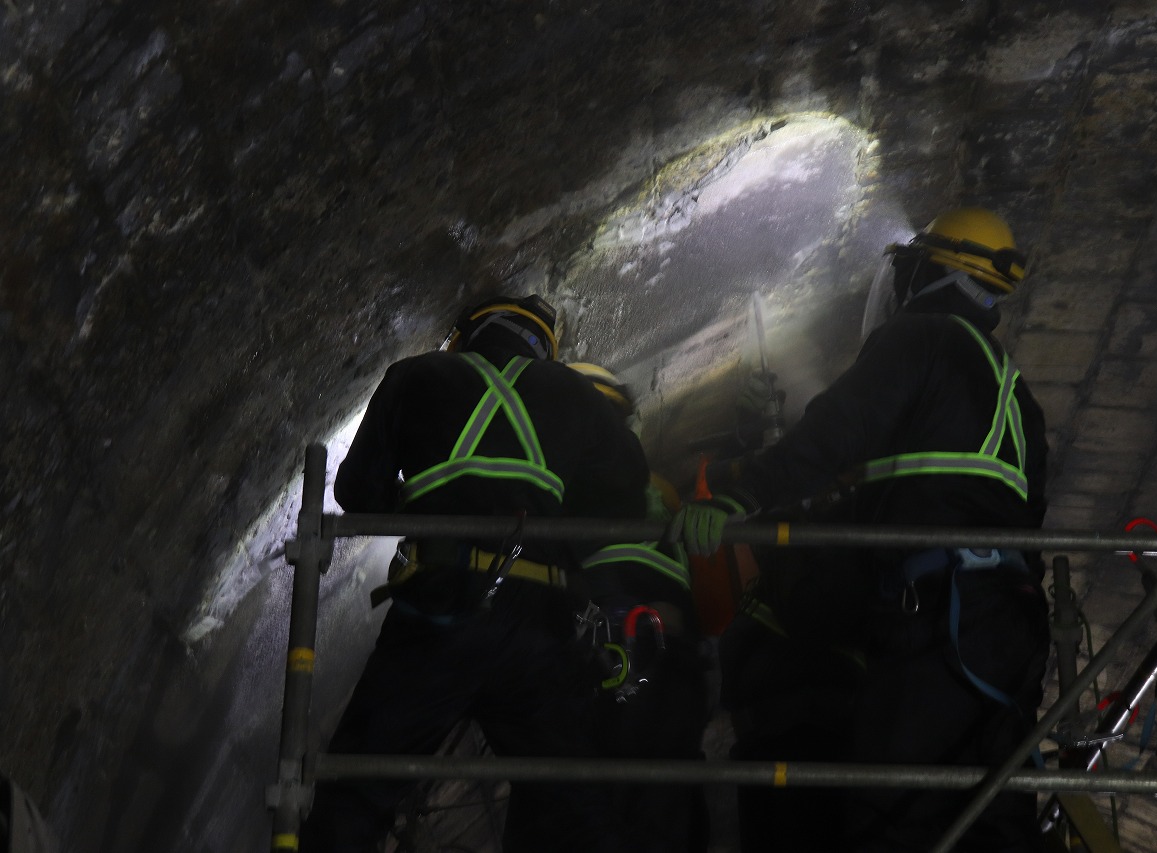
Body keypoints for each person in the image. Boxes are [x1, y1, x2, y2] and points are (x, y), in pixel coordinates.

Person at [678, 207, 1051, 851]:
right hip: (1009, 629)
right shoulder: (1018, 400)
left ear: (929, 270)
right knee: (989, 818)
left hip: (935, 620)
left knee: (894, 819)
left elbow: (834, 431)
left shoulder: (923, 339)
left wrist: (741, 492)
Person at [300, 294, 650, 853]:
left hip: (442, 606)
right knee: (576, 805)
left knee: (359, 789)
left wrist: (429, 508)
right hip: (537, 619)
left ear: (467, 335)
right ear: (544, 348)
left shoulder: (415, 376)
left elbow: (355, 492)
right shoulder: (573, 393)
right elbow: (628, 491)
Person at [567, 362, 712, 853]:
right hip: (670, 642)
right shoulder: (653, 484)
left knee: (611, 790)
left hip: (617, 632)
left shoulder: (572, 478)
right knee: (669, 784)